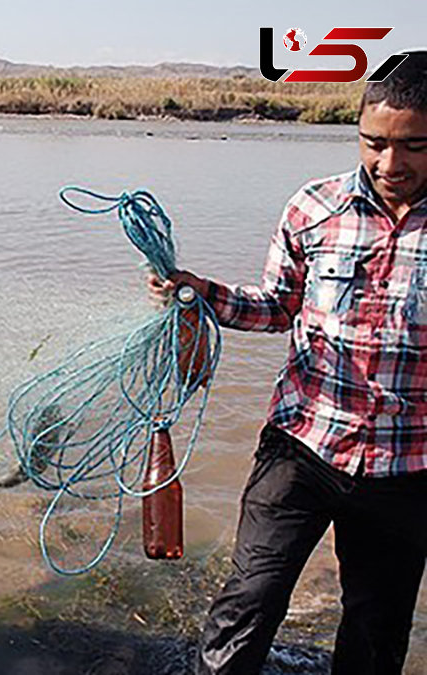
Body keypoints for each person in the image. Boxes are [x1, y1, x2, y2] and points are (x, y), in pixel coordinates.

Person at [150, 52, 427, 673]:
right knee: (246, 606)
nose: (390, 164)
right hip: (301, 447)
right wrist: (199, 291)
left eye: (413, 146)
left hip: (408, 468)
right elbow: (277, 306)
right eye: (374, 143)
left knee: (376, 632)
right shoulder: (314, 206)